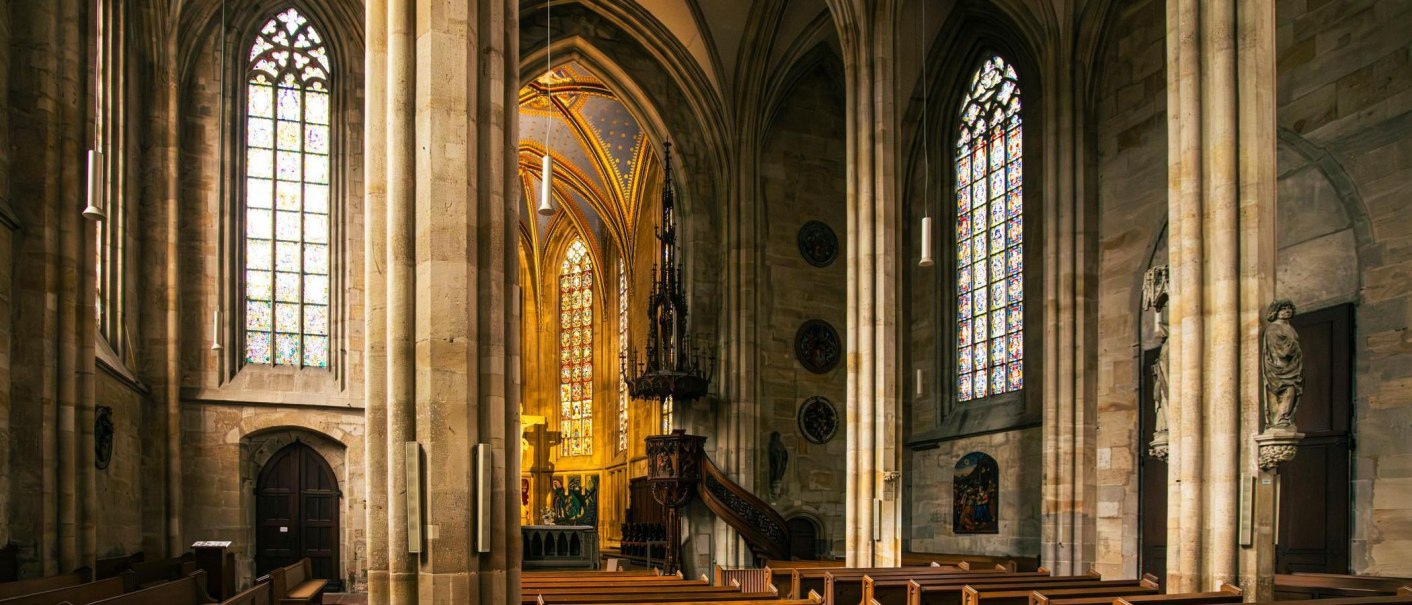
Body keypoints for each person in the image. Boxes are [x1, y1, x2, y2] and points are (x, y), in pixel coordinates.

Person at [1262, 299, 1303, 429]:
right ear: (1276, 311)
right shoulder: (1273, 328)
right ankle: (1281, 419)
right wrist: (1293, 346)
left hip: (1293, 366)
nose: (1286, 311)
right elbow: (1279, 350)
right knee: (1288, 390)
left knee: (1293, 391)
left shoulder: (1290, 328)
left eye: (1289, 308)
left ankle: (1285, 418)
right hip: (1279, 368)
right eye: (1283, 308)